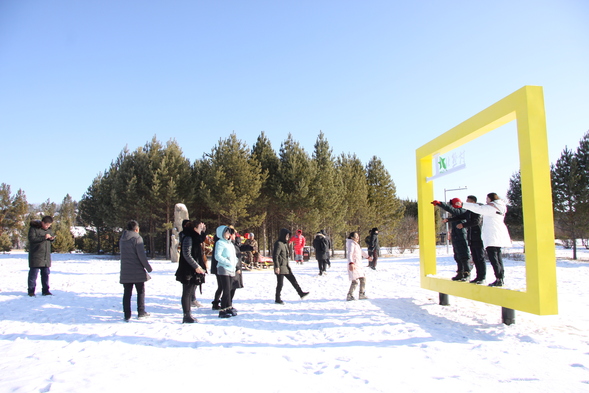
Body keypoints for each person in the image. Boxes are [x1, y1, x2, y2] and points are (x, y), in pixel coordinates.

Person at [462, 193, 512, 287]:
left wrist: (462, 204)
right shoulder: (499, 207)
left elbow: (479, 209)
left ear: (491, 198)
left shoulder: (491, 208)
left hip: (492, 236)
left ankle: (498, 279)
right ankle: (500, 277)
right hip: (497, 236)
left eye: (487, 198)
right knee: (498, 258)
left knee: (494, 259)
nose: (486, 200)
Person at [119, 220, 153, 321]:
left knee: (127, 293)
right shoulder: (137, 238)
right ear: (136, 229)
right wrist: (148, 267)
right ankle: (141, 312)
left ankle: (127, 314)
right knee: (140, 291)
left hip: (125, 270)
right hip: (137, 269)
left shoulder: (122, 238)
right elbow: (141, 256)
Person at [431, 198, 471, 281]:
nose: (451, 206)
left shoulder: (462, 210)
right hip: (456, 235)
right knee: (457, 255)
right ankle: (460, 272)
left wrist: (441, 204)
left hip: (461, 235)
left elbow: (452, 210)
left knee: (464, 254)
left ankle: (467, 272)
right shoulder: (456, 213)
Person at [175, 221, 206, 323]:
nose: (201, 229)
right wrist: (196, 266)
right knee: (187, 293)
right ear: (194, 228)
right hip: (187, 270)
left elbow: (202, 238)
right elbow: (186, 254)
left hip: (194, 269)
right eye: (200, 227)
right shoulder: (188, 238)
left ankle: (188, 314)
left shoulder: (195, 238)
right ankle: (186, 315)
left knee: (190, 291)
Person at [274, 228, 309, 304]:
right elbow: (275, 256)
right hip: (280, 267)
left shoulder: (284, 243)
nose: (288, 237)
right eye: (286, 235)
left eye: (288, 235)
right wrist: (277, 267)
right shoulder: (278, 243)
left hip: (286, 266)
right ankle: (277, 298)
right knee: (280, 284)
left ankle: (301, 293)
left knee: (293, 280)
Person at [457, 195, 486, 284]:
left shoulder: (478, 210)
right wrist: (448, 219)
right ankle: (478, 276)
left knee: (480, 258)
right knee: (475, 258)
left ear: (473, 202)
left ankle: (482, 277)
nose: (466, 202)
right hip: (471, 237)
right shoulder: (469, 211)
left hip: (479, 237)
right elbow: (461, 216)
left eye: (468, 201)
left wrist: (463, 225)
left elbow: (476, 222)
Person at [27, 216, 55, 297]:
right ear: (42, 222)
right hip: (36, 255)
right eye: (46, 224)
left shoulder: (49, 230)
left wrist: (52, 238)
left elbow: (51, 238)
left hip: (46, 257)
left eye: (49, 225)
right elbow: (32, 239)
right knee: (33, 275)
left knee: (46, 274)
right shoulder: (33, 229)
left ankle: (46, 290)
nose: (48, 226)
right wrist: (43, 237)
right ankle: (31, 291)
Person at [214, 225, 239, 318]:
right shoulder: (220, 243)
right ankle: (222, 310)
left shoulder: (230, 244)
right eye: (227, 232)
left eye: (229, 232)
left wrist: (235, 262)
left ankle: (228, 307)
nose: (229, 234)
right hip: (223, 268)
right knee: (226, 289)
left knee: (230, 289)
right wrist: (228, 262)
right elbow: (218, 256)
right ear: (222, 233)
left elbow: (234, 255)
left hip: (231, 268)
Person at [346, 232, 371, 301]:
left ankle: (361, 294)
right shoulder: (351, 244)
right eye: (356, 237)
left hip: (358, 265)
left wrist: (367, 257)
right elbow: (350, 254)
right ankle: (350, 295)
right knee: (355, 281)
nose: (358, 238)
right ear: (352, 237)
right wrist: (351, 263)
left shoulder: (355, 244)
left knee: (363, 279)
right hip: (354, 265)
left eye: (358, 236)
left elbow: (360, 251)